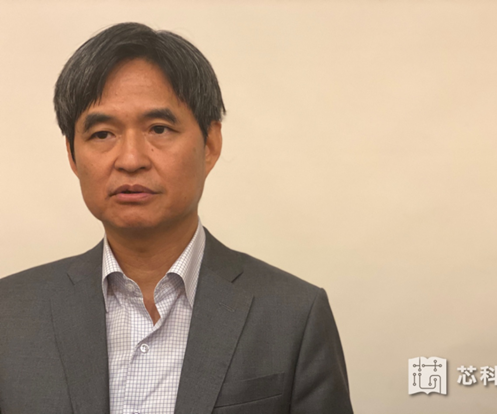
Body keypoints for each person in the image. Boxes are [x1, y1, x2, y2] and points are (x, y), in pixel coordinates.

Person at [0, 22, 353, 414]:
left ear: (210, 144)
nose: (131, 159)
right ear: (72, 154)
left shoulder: (293, 315)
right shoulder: (9, 313)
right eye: (102, 134)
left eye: (159, 129)